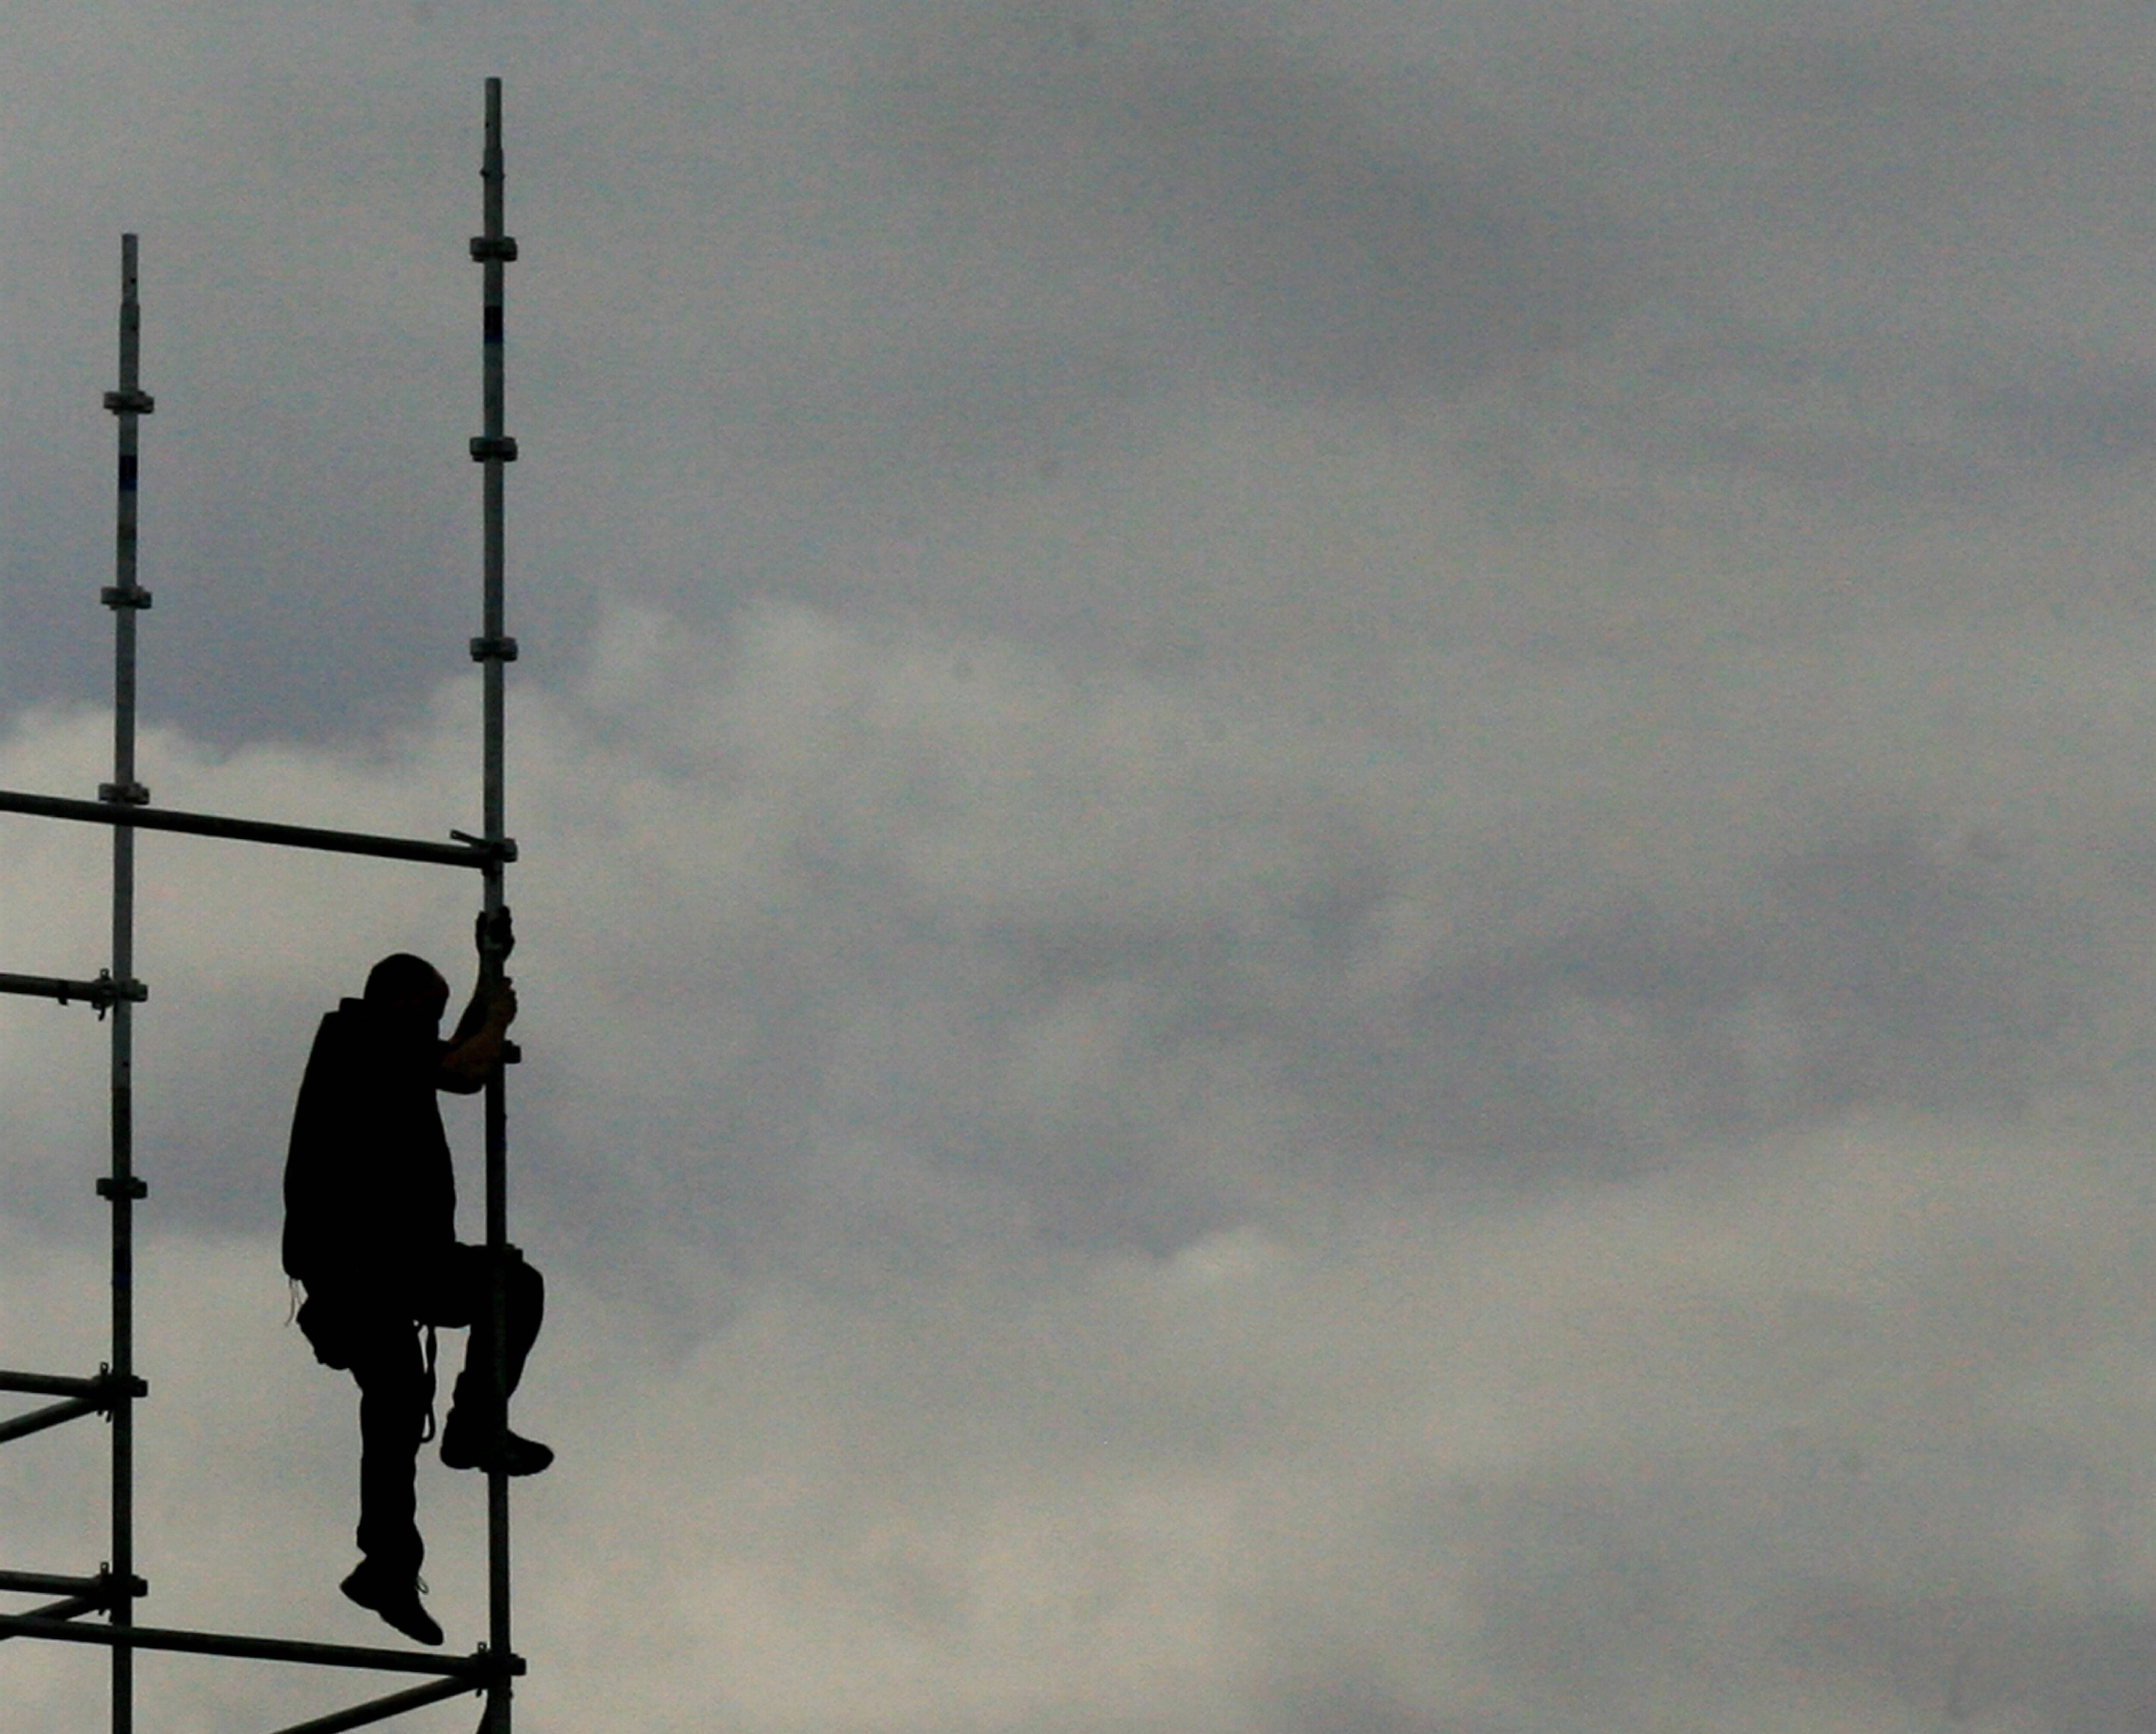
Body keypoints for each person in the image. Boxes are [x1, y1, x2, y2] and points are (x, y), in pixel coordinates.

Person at [283, 908, 552, 1647]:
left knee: (398, 1401)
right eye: (426, 1011)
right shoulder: (361, 1036)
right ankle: (473, 1429)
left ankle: (387, 1565)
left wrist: (487, 972)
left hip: (372, 1268)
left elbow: (455, 1054)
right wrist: (494, 1016)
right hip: (368, 1265)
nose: (432, 1026)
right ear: (397, 1002)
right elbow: (466, 1070)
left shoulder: (373, 1046)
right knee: (509, 1287)